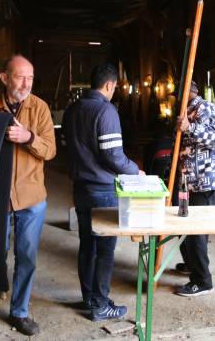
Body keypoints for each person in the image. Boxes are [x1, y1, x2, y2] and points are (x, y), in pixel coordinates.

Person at [0, 54, 56, 335]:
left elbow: (50, 149)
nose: (26, 83)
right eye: (20, 77)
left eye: (30, 78)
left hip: (31, 196)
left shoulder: (40, 108)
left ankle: (19, 312)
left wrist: (29, 138)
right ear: (4, 78)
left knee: (26, 256)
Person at [62, 63, 144, 321]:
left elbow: (67, 145)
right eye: (115, 87)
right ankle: (100, 304)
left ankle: (89, 297)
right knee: (105, 249)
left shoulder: (72, 110)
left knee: (87, 245)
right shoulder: (106, 111)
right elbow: (113, 156)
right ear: (109, 85)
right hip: (103, 190)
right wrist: (135, 171)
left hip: (80, 188)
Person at [173, 80, 215, 297]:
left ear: (190, 92)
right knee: (183, 225)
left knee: (196, 230)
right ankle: (191, 265)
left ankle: (202, 281)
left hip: (208, 180)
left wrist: (190, 127)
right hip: (192, 181)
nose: (176, 99)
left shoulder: (207, 109)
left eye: (179, 94)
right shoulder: (187, 110)